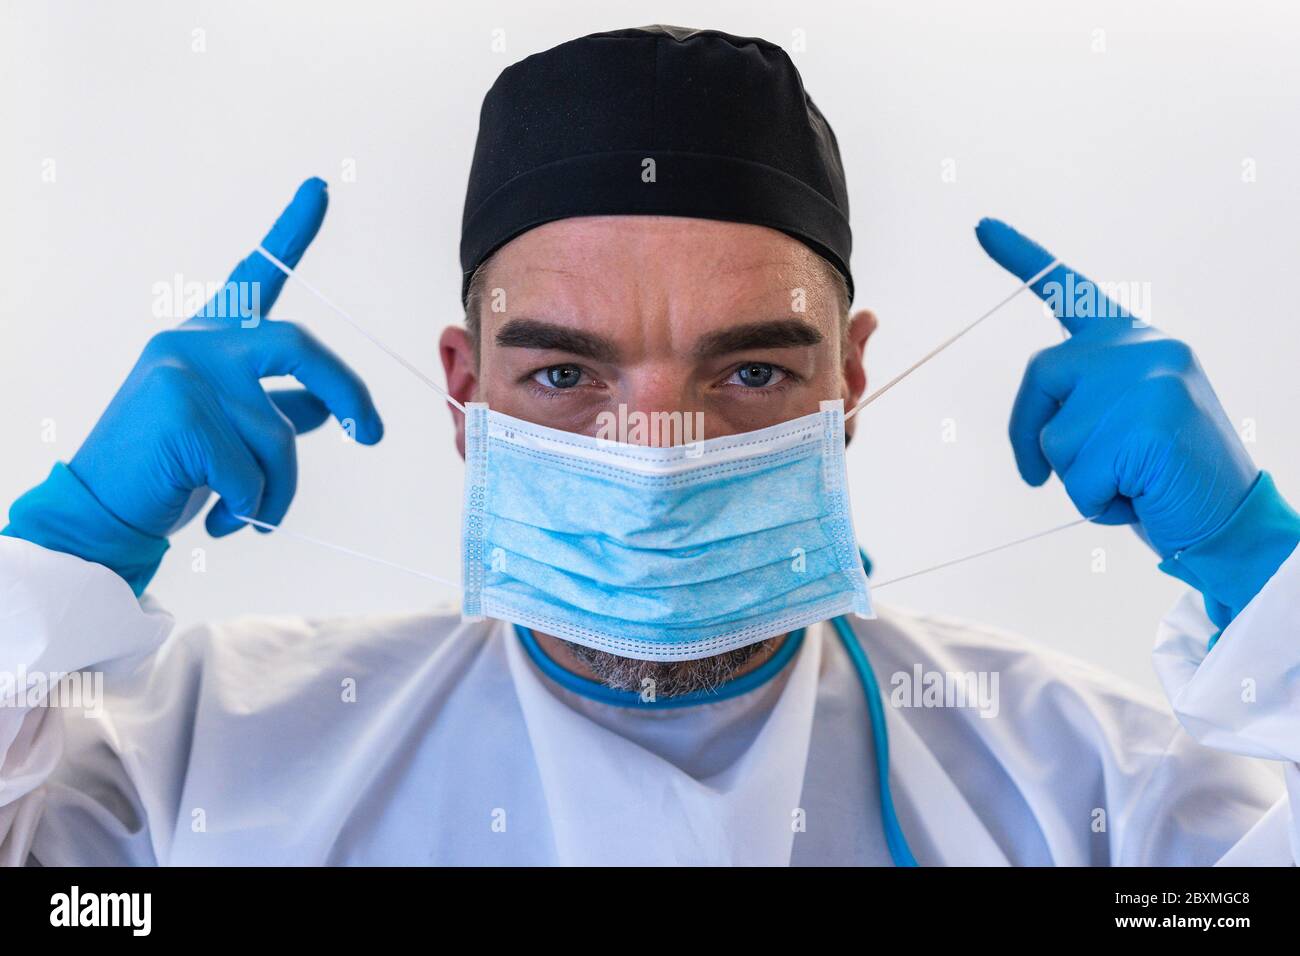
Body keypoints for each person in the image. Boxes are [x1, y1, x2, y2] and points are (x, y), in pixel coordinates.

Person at [2, 25, 1298, 866]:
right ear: (466, 392)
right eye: (564, 372)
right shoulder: (204, 764)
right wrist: (63, 550)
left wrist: (1261, 570)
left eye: (750, 369)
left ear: (848, 379)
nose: (659, 455)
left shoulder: (1088, 791)